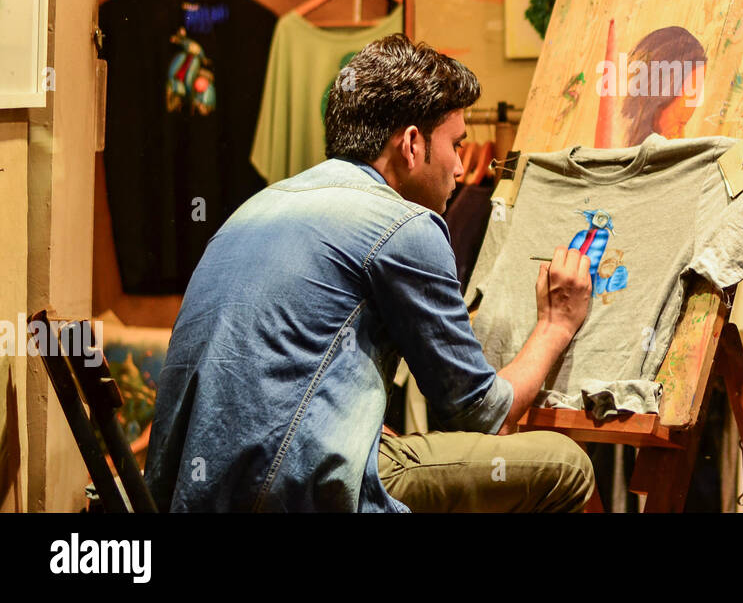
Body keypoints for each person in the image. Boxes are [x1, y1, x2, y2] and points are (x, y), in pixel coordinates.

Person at [145, 34, 597, 512]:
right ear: (411, 144)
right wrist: (555, 324)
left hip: (191, 496)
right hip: (292, 494)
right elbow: (483, 415)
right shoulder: (404, 226)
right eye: (456, 144)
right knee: (567, 465)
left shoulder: (258, 207)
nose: (462, 168)